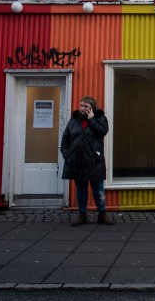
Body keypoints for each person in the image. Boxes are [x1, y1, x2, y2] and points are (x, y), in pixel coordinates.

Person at [61, 95, 114, 226]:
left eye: (86, 106)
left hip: (94, 160)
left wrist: (92, 120)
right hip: (77, 161)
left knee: (98, 188)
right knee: (81, 188)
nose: (82, 108)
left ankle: (102, 214)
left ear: (92, 108)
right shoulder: (73, 121)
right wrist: (67, 155)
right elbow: (65, 139)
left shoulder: (100, 119)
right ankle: (82, 215)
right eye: (81, 106)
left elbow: (102, 132)